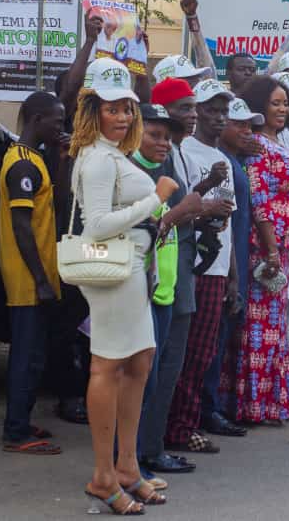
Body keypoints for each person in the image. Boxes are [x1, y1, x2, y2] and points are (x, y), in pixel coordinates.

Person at [70, 59, 177, 513]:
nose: (124, 117)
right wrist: (156, 199)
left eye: (128, 108)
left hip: (133, 269)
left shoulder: (112, 155)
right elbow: (95, 226)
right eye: (113, 108)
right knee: (107, 368)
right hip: (112, 270)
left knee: (139, 363)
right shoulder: (95, 159)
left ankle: (128, 467)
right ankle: (102, 475)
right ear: (93, 110)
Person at [221, 76, 289, 423]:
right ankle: (252, 404)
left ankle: (272, 401)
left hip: (282, 242)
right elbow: (260, 200)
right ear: (259, 106)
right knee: (258, 327)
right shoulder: (256, 145)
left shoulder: (281, 139)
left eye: (285, 102)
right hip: (263, 246)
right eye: (274, 103)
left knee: (275, 327)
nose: (282, 108)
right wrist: (271, 251)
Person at [165, 79, 238, 453]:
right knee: (187, 352)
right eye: (208, 109)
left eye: (222, 111)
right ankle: (177, 426)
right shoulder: (181, 151)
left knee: (203, 353)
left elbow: (226, 220)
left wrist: (233, 277)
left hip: (217, 267)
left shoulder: (222, 158)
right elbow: (188, 207)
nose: (214, 117)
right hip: (191, 265)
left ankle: (184, 422)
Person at [131, 105, 204, 473]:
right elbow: (140, 229)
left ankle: (150, 450)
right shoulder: (128, 172)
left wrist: (196, 208)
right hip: (137, 292)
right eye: (154, 134)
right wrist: (183, 210)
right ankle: (128, 461)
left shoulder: (166, 164)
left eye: (167, 136)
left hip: (168, 287)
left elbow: (171, 222)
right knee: (137, 382)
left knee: (161, 375)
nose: (164, 142)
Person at [0, 92, 65, 455]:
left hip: (38, 273)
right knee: (26, 355)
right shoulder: (21, 164)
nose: (61, 127)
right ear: (38, 118)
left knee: (35, 352)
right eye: (57, 120)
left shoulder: (34, 159)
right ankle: (16, 432)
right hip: (27, 277)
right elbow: (22, 227)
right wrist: (40, 279)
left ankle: (20, 419)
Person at [209, 99, 263, 428]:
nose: (246, 131)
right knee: (213, 341)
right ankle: (208, 410)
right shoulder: (220, 162)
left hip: (238, 262)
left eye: (249, 126)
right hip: (221, 263)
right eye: (239, 124)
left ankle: (218, 405)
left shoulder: (237, 161)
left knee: (225, 338)